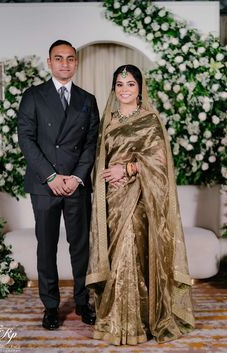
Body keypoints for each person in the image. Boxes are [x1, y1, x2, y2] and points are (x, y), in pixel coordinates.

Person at [86, 65, 195, 345]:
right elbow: (100, 161)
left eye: (131, 84)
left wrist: (129, 169)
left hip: (139, 198)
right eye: (120, 84)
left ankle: (134, 323)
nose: (125, 89)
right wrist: (110, 178)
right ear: (114, 89)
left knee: (130, 252)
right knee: (114, 255)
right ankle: (113, 319)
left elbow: (159, 163)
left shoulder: (149, 120)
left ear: (140, 88)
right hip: (111, 199)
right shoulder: (107, 121)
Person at [18, 40, 99, 330]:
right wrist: (52, 177)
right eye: (59, 58)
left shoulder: (87, 99)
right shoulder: (33, 96)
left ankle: (81, 301)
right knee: (46, 247)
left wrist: (76, 177)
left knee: (80, 247)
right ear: (49, 62)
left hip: (76, 184)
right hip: (44, 184)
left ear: (76, 63)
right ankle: (51, 307)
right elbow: (26, 140)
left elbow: (90, 144)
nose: (65, 63)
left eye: (70, 59)